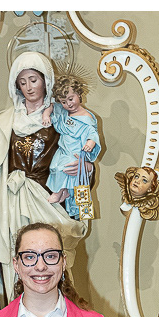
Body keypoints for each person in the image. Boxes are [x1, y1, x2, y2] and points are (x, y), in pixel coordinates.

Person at [0, 51, 92, 301]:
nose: (29, 87)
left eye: (34, 80)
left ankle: (57, 315)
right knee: (15, 260)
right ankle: (17, 311)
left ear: (46, 80)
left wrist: (85, 167)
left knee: (50, 258)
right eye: (22, 81)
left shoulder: (62, 117)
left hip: (48, 200)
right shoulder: (5, 121)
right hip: (11, 202)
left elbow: (81, 149)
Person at [42, 75, 102, 219]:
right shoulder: (63, 113)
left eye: (71, 99)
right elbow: (52, 106)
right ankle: (64, 191)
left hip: (74, 153)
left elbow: (91, 132)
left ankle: (59, 191)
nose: (68, 104)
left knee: (65, 167)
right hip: (63, 150)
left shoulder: (86, 117)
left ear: (79, 94)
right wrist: (46, 114)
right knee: (55, 167)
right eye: (64, 102)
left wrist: (90, 142)